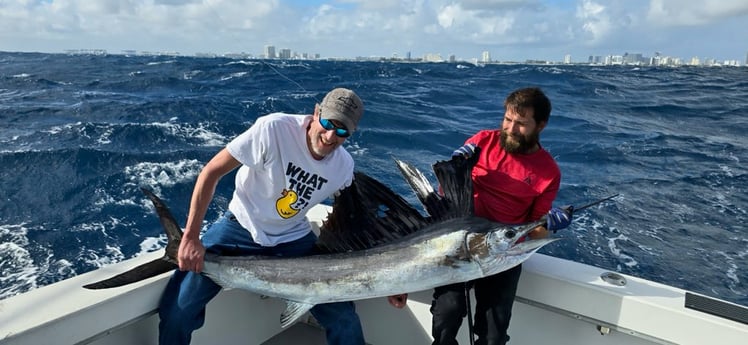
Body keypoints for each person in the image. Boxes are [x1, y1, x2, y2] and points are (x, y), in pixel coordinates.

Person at [158, 88, 367, 345]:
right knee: (179, 311)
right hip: (240, 228)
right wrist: (190, 236)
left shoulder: (343, 166)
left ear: (351, 134)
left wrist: (395, 280)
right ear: (316, 112)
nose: (330, 135)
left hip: (294, 239)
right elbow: (211, 172)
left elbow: (354, 220)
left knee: (344, 318)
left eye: (342, 131)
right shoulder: (273, 128)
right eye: (327, 123)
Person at [387, 87, 573, 345]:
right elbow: (445, 195)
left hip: (503, 252)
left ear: (541, 125)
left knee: (494, 334)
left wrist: (549, 225)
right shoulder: (483, 141)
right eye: (507, 120)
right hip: (456, 246)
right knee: (447, 314)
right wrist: (455, 169)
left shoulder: (548, 172)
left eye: (521, 124)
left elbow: (535, 230)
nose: (510, 129)